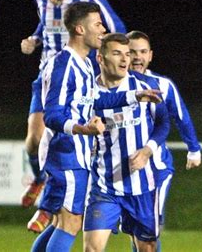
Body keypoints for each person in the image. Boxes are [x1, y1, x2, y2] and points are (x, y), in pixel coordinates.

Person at [30, 2, 160, 252]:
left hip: (73, 154)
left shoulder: (85, 64)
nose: (103, 29)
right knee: (70, 223)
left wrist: (134, 95)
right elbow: (52, 116)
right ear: (80, 29)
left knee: (61, 222)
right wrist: (83, 129)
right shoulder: (64, 65)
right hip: (65, 154)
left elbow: (96, 101)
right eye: (97, 24)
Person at [21, 0, 127, 232]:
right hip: (47, 75)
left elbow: (117, 31)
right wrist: (35, 39)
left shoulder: (89, 0)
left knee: (77, 144)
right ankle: (44, 182)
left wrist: (108, 63)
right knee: (33, 141)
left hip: (78, 80)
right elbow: (46, 24)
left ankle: (63, 202)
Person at [82, 33, 170, 252]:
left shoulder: (145, 85)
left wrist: (147, 151)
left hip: (142, 186)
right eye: (117, 53)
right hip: (105, 185)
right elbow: (79, 122)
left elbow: (163, 124)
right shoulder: (89, 92)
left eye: (127, 54)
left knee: (146, 248)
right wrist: (87, 130)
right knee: (92, 249)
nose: (125, 60)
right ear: (100, 59)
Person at [127, 31, 202, 234]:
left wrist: (194, 149)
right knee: (135, 231)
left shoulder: (163, 85)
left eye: (142, 52)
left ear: (150, 55)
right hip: (124, 170)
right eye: (132, 52)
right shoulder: (112, 85)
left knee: (149, 230)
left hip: (156, 168)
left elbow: (181, 116)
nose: (137, 57)